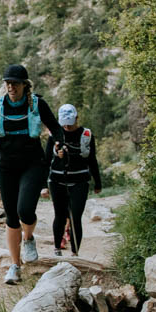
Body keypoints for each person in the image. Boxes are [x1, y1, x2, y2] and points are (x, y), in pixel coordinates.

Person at [0, 64, 62, 285]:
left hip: (33, 164)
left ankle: (29, 238)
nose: (11, 86)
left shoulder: (37, 104)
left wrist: (59, 143)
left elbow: (56, 128)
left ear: (24, 85)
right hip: (6, 167)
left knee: (25, 210)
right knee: (11, 217)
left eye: (15, 83)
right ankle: (15, 265)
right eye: (8, 83)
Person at [46, 103, 102, 256]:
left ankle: (75, 252)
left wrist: (98, 182)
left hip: (80, 181)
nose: (67, 127)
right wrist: (42, 185)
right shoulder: (54, 135)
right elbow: (46, 160)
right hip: (57, 180)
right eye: (64, 124)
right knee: (60, 214)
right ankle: (57, 248)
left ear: (77, 118)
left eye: (70, 123)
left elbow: (92, 159)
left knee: (75, 216)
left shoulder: (86, 135)